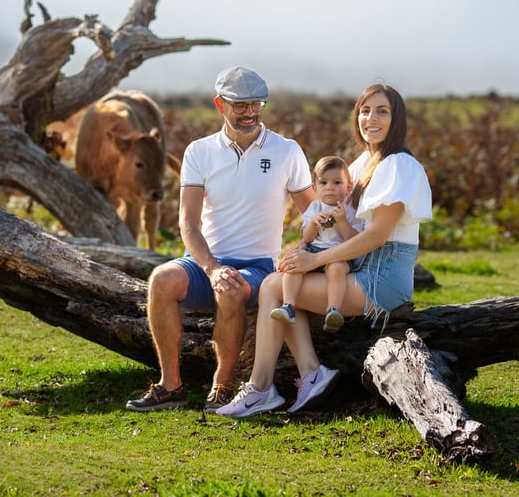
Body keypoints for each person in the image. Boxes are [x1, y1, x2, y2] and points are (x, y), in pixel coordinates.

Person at [216, 81, 432, 418]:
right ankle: (309, 374)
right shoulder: (362, 164)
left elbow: (377, 236)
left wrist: (315, 258)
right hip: (357, 266)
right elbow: (333, 219)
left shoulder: (398, 164)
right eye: (364, 110)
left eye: (382, 111)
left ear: (397, 119)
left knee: (274, 285)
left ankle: (262, 389)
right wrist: (304, 246)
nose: (370, 118)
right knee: (285, 280)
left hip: (382, 276)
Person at [125, 66, 316, 412]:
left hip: (258, 267)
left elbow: (313, 213)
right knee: (161, 280)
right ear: (220, 105)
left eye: (256, 104)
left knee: (231, 289)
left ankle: (223, 385)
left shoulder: (287, 151)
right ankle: (171, 386)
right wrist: (211, 268)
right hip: (204, 263)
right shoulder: (199, 152)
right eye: (240, 105)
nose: (249, 112)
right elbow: (188, 221)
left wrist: (305, 248)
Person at [271, 155, 363, 334]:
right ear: (315, 187)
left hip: (339, 254)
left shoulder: (350, 210)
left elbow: (354, 239)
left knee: (337, 270)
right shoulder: (314, 208)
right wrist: (313, 223)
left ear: (348, 186)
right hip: (314, 250)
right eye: (323, 183)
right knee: (294, 266)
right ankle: (288, 305)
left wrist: (342, 222)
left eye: (337, 182)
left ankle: (333, 310)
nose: (330, 187)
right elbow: (307, 237)